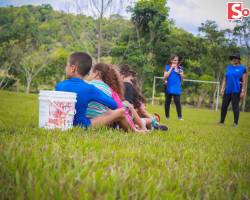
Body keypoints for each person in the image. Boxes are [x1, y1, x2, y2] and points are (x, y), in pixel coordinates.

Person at [55, 52, 126, 129]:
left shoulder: (59, 85)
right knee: (121, 111)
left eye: (67, 65)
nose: (66, 68)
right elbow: (114, 105)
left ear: (73, 68)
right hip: (82, 126)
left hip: (61, 123)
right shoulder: (90, 88)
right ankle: (136, 131)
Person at [86, 63, 147, 133]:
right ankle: (139, 129)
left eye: (91, 73)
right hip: (102, 123)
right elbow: (119, 107)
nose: (89, 75)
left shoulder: (87, 84)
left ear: (97, 73)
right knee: (124, 107)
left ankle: (142, 126)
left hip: (86, 121)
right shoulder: (109, 89)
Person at [120, 64, 168, 131]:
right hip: (128, 117)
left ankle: (153, 123)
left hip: (128, 116)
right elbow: (134, 109)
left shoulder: (126, 86)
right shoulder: (127, 86)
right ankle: (154, 123)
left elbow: (138, 109)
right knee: (145, 119)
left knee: (143, 117)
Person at [219, 54, 247, 127]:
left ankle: (235, 123)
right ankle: (221, 122)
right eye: (233, 58)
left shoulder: (242, 68)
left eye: (236, 58)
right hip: (228, 89)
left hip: (236, 90)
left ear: (239, 60)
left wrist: (243, 91)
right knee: (224, 106)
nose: (234, 59)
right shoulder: (228, 68)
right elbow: (225, 79)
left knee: (235, 107)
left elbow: (244, 81)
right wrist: (222, 88)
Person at [163, 55, 184, 120]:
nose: (176, 61)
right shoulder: (167, 67)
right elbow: (165, 77)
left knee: (177, 102)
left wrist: (179, 73)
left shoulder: (180, 68)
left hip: (176, 88)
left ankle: (180, 117)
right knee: (167, 102)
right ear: (171, 60)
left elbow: (182, 78)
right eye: (174, 60)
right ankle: (167, 117)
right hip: (169, 87)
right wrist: (171, 68)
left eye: (177, 60)